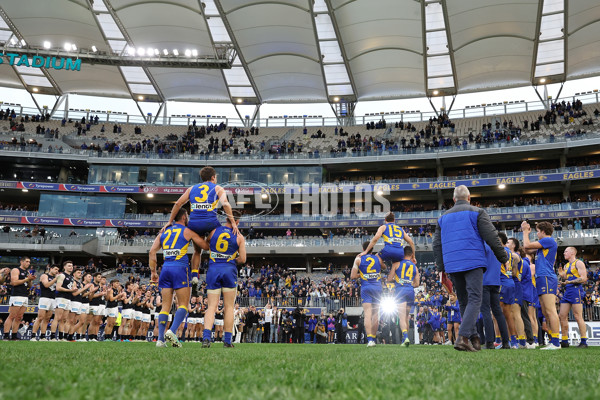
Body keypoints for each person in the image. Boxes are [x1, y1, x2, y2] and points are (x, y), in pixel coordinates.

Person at [433, 185, 508, 352]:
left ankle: (474, 338)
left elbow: (436, 244)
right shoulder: (478, 212)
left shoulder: (442, 218)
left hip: (452, 264)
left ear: (453, 200)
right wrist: (503, 257)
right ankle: (463, 337)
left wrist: (441, 267)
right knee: (475, 299)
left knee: (464, 301)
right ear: (469, 198)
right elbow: (492, 236)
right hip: (473, 261)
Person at [164, 166, 238, 291]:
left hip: (194, 224)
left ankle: (194, 277)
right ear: (213, 177)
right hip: (211, 223)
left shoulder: (191, 188)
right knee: (223, 237)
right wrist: (233, 223)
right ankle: (220, 269)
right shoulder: (218, 188)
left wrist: (170, 221)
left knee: (197, 251)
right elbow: (225, 204)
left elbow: (178, 204)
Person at [150, 207, 209, 348]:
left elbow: (152, 251)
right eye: (187, 216)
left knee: (165, 306)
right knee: (183, 304)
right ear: (184, 217)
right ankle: (172, 331)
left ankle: (160, 340)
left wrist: (153, 272)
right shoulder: (187, 231)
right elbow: (204, 247)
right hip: (180, 268)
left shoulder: (163, 231)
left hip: (165, 268)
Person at [202, 210, 246, 348]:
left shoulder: (214, 231)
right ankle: (227, 341)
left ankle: (206, 338)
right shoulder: (239, 237)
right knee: (228, 307)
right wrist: (231, 260)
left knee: (211, 307)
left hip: (214, 269)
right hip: (229, 270)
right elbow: (243, 259)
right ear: (237, 221)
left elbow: (207, 244)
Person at [521, 220, 561, 350]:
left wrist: (525, 231)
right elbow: (526, 248)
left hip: (546, 277)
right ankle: (552, 340)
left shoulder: (548, 240)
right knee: (545, 311)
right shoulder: (543, 246)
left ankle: (556, 342)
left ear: (543, 232)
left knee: (550, 310)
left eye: (538, 231)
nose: (537, 234)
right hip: (541, 278)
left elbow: (526, 245)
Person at [351, 241, 383, 347]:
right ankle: (373, 338)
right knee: (375, 315)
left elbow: (353, 276)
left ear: (363, 247)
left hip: (366, 287)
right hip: (377, 288)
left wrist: (363, 274)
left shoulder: (359, 258)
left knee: (367, 315)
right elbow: (384, 267)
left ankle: (370, 340)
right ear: (372, 248)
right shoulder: (378, 258)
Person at [387, 246, 419, 347]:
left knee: (401, 317)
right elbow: (417, 284)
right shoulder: (415, 267)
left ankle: (405, 337)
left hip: (400, 291)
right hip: (410, 291)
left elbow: (389, 279)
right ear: (411, 255)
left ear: (402, 254)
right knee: (406, 317)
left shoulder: (396, 264)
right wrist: (408, 283)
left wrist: (399, 281)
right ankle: (405, 339)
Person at [481, 243, 510, 349]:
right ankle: (506, 342)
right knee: (498, 312)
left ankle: (489, 342)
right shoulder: (498, 248)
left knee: (485, 311)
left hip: (484, 281)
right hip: (496, 281)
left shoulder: (483, 245)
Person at [558, 247, 588, 348]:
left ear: (572, 252)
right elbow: (567, 278)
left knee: (577, 315)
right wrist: (563, 276)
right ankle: (565, 340)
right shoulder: (566, 265)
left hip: (576, 290)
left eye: (566, 251)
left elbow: (583, 278)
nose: (564, 253)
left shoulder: (578, 263)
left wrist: (569, 281)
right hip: (568, 291)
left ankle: (584, 341)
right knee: (562, 315)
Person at [3, 256, 35, 340]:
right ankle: (5, 335)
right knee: (12, 316)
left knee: (19, 317)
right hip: (17, 295)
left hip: (25, 295)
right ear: (21, 261)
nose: (28, 263)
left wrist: (30, 280)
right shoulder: (16, 270)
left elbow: (29, 286)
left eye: (29, 262)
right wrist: (27, 278)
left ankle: (14, 336)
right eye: (27, 261)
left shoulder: (27, 272)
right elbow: (14, 282)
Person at [31, 264, 59, 341]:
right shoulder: (44, 275)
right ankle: (33, 336)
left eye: (57, 270)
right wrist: (55, 279)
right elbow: (46, 285)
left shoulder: (54, 278)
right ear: (51, 269)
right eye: (55, 269)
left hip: (52, 299)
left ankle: (42, 336)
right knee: (40, 317)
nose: (57, 271)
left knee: (47, 319)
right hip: (44, 298)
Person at [54, 261, 77, 341]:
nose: (71, 267)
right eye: (69, 266)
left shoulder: (71, 277)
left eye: (72, 266)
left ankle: (61, 337)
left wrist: (74, 290)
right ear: (64, 267)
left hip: (68, 299)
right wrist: (69, 290)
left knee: (64, 319)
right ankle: (53, 336)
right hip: (61, 298)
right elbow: (58, 287)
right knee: (57, 317)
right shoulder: (62, 275)